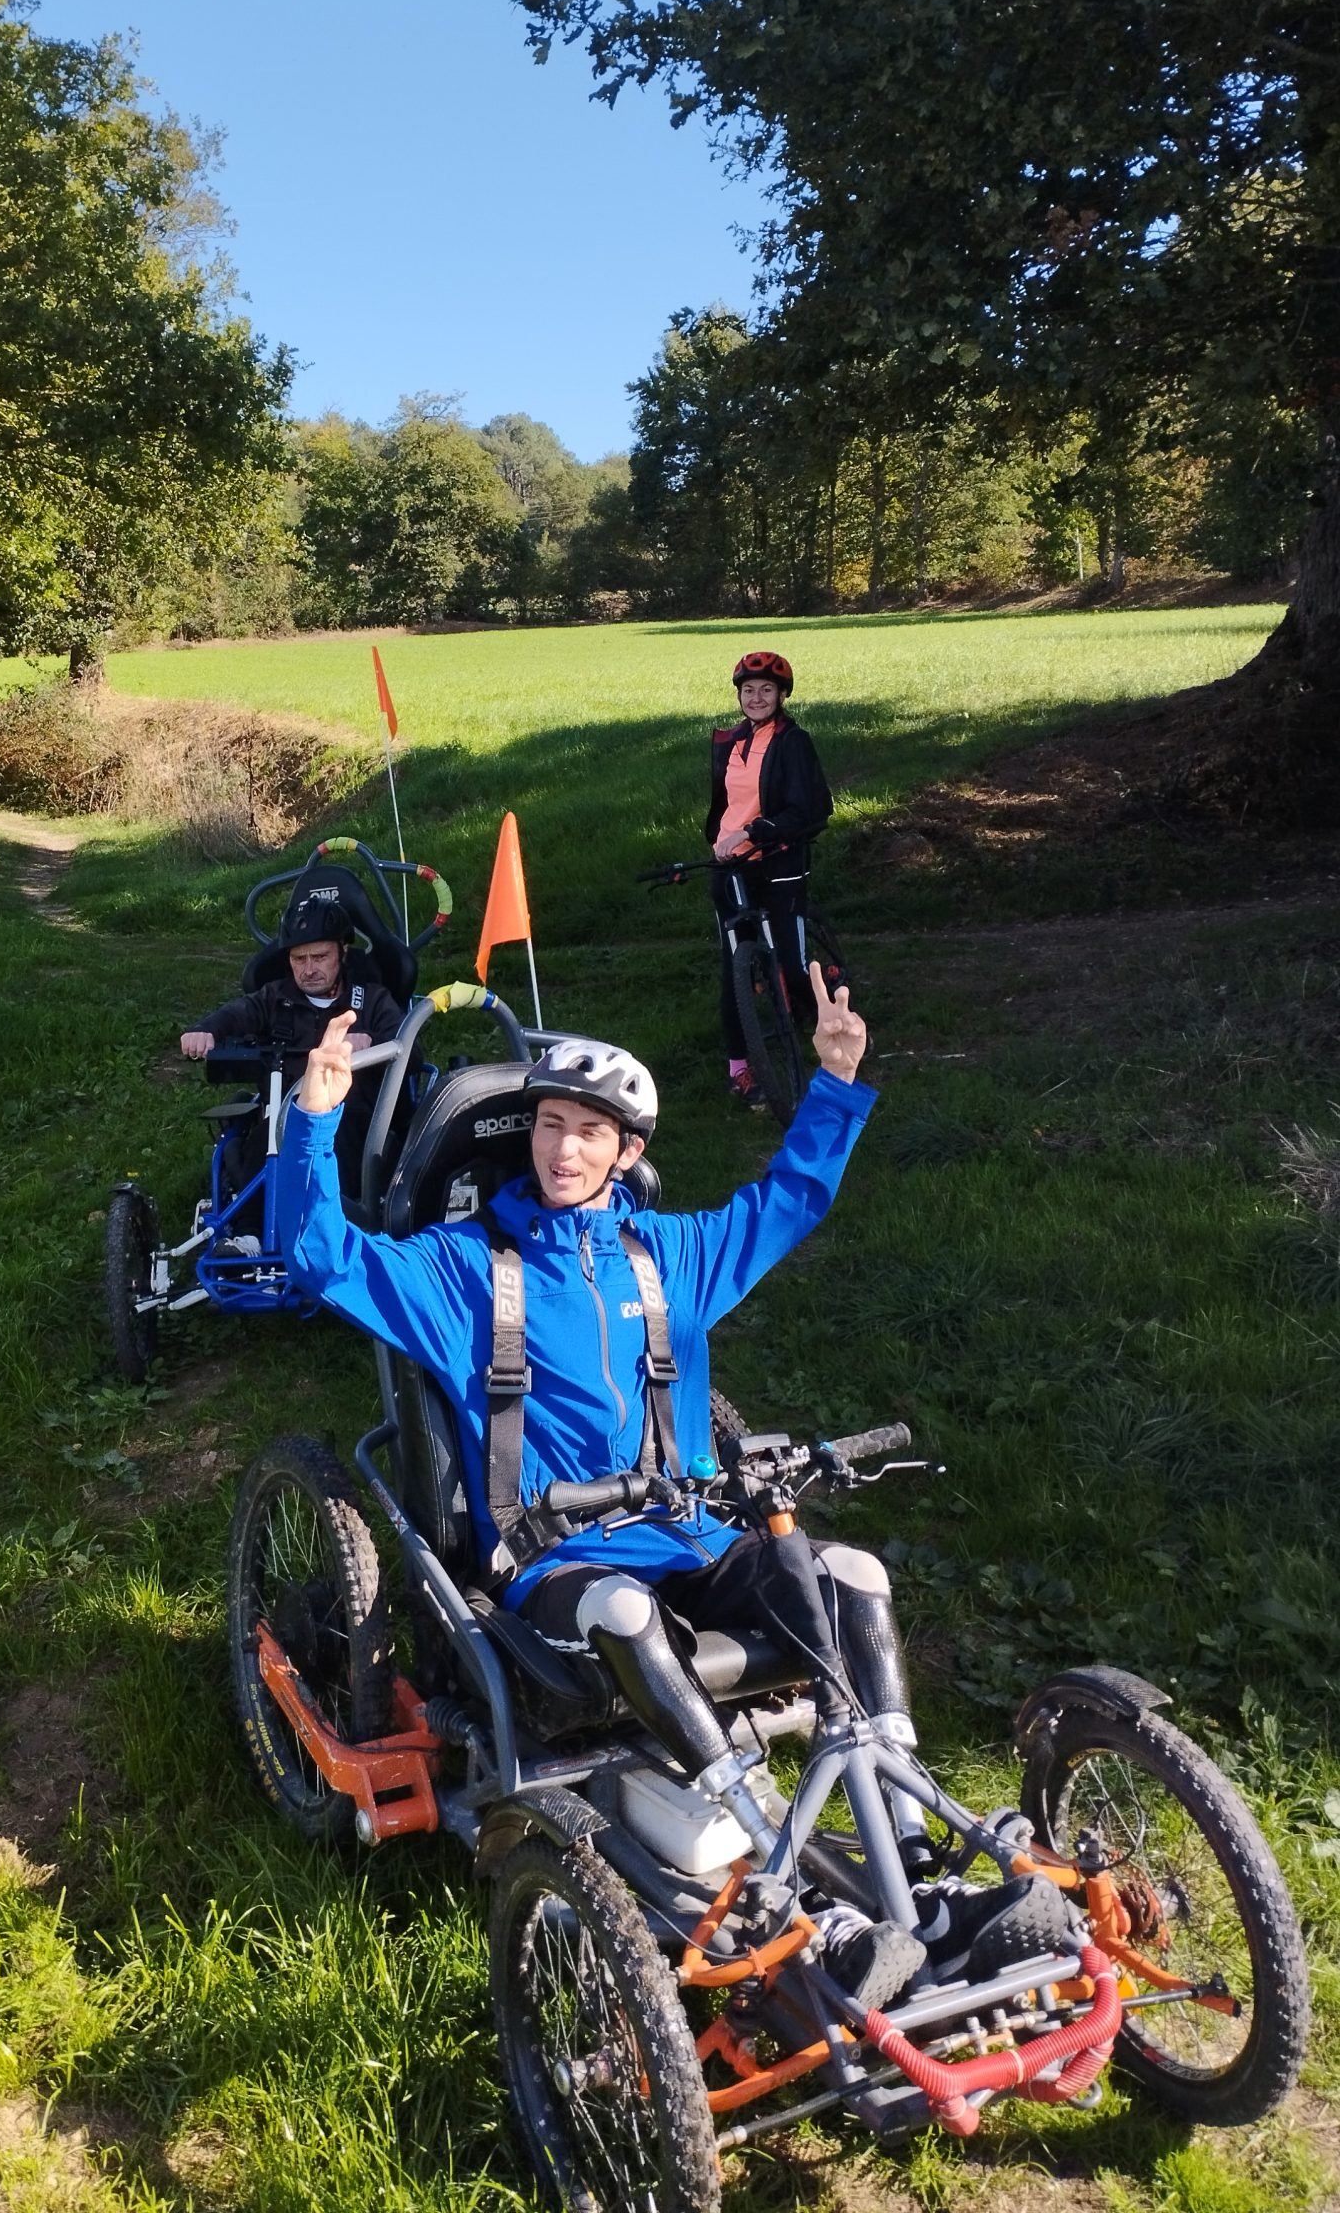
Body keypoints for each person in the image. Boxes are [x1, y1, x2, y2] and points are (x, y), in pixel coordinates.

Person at [277, 976, 922, 2002]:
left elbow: (788, 1200)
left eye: (588, 1132)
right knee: (624, 1612)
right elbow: (319, 1256)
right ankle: (771, 1861)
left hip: (685, 1536)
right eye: (548, 1125)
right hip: (553, 1560)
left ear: (627, 1152)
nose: (562, 1150)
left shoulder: (669, 1256)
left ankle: (912, 1846)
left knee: (851, 1573)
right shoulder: (462, 1270)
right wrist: (312, 1120)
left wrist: (837, 1079)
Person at [180, 898, 404, 1224]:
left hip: (352, 1118)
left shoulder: (372, 1000)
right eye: (299, 959)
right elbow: (236, 1014)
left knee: (340, 1139)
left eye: (320, 957)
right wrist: (205, 1030)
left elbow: (410, 1052)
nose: (309, 969)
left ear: (342, 952)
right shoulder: (275, 998)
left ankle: (335, 1226)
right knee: (266, 1139)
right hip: (286, 1114)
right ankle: (251, 1237)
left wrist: (373, 1043)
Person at [708, 649, 833, 1108]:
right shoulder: (730, 740)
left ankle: (833, 1025)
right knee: (734, 970)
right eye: (748, 690)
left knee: (793, 964)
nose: (756, 697)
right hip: (732, 867)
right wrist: (719, 839)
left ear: (782, 696)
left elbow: (812, 809)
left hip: (779, 863)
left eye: (766, 690)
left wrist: (755, 831)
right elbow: (725, 804)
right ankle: (739, 1069)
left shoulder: (793, 742)